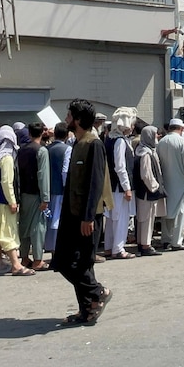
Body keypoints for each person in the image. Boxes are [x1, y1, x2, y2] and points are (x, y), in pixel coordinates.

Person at [53, 98, 113, 325]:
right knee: (63, 261)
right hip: (72, 213)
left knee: (80, 263)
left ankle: (97, 295)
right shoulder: (77, 143)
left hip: (87, 215)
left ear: (77, 120)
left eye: (69, 115)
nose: (66, 119)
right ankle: (88, 306)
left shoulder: (93, 144)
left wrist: (88, 217)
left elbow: (95, 183)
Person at [0, 126, 34, 276]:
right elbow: (7, 182)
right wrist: (12, 201)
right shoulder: (6, 158)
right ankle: (16, 265)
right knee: (8, 232)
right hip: (3, 201)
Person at [157, 118, 184, 249]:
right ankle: (177, 241)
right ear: (181, 129)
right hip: (180, 182)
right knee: (180, 212)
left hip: (165, 182)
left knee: (166, 211)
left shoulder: (161, 142)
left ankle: (166, 239)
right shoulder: (182, 142)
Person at [104, 107, 137, 259]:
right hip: (118, 186)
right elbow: (120, 167)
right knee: (120, 217)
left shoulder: (109, 139)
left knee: (112, 218)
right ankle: (118, 248)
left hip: (112, 185)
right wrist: (127, 187)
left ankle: (110, 247)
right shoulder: (120, 141)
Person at [17, 122, 51, 270]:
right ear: (42, 133)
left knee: (24, 226)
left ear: (29, 133)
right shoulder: (42, 150)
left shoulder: (21, 150)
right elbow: (43, 175)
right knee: (38, 226)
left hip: (23, 192)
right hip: (37, 193)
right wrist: (45, 197)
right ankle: (38, 260)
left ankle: (24, 257)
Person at [132, 125, 164, 256]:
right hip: (147, 192)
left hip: (143, 191)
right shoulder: (145, 154)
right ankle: (146, 245)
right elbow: (146, 175)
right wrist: (155, 187)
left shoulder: (142, 150)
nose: (158, 136)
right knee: (147, 218)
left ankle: (143, 243)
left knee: (143, 218)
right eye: (155, 134)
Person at [44, 122, 72, 253]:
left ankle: (50, 247)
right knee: (57, 219)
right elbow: (65, 171)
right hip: (60, 189)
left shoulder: (47, 149)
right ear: (67, 135)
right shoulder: (67, 149)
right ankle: (57, 250)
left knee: (49, 219)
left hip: (47, 189)